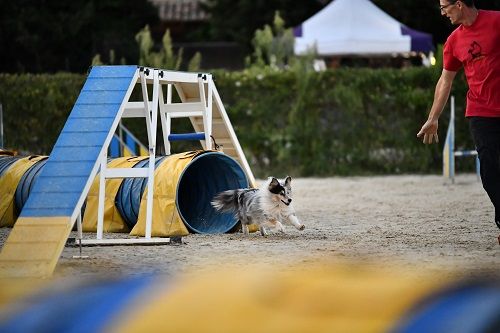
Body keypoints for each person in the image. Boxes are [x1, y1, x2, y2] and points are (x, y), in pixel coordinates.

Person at [417, 0, 500, 243]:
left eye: (445, 7)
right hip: (481, 111)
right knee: (489, 169)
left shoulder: (496, 21)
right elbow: (445, 80)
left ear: (460, 4)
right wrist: (433, 118)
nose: (442, 13)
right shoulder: (454, 41)